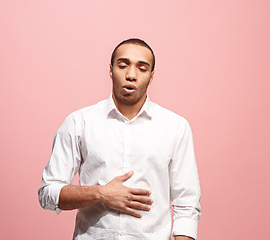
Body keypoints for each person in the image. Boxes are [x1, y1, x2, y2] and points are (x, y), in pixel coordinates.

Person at [38, 38, 202, 240]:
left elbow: (187, 204)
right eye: (123, 65)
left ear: (151, 76)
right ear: (110, 69)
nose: (131, 75)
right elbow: (48, 194)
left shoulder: (175, 127)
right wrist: (100, 193)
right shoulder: (79, 122)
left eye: (142, 69)